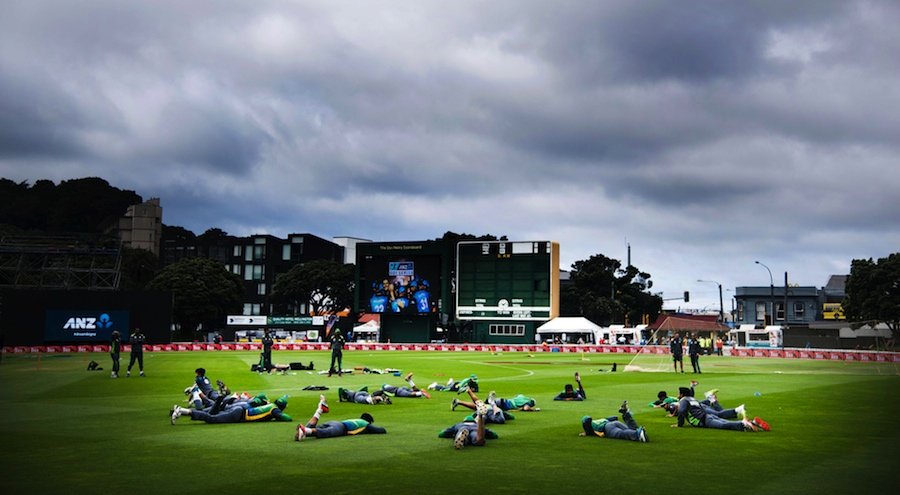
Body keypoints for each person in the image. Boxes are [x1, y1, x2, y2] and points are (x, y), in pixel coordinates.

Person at [670, 387, 769, 432]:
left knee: (723, 425)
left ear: (682, 394)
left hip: (703, 420)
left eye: (679, 393)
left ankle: (743, 425)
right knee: (724, 421)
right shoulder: (692, 399)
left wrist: (679, 424)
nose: (678, 395)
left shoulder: (683, 400)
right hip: (707, 416)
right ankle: (753, 422)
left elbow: (682, 411)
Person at [295, 395, 386, 440]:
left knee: (312, 429)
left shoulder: (357, 421)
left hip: (334, 422)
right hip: (341, 427)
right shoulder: (365, 424)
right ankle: (305, 430)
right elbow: (381, 430)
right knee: (326, 433)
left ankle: (319, 410)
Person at [171, 395, 291, 424]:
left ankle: (182, 411)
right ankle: (182, 411)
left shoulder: (270, 405)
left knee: (213, 413)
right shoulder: (275, 410)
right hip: (239, 414)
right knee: (213, 419)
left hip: (240, 408)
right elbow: (287, 418)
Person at [580, 401, 648, 442]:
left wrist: (590, 433)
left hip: (607, 428)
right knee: (630, 429)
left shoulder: (590, 424)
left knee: (621, 434)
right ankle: (627, 415)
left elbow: (587, 420)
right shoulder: (599, 420)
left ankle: (637, 434)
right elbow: (614, 417)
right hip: (613, 423)